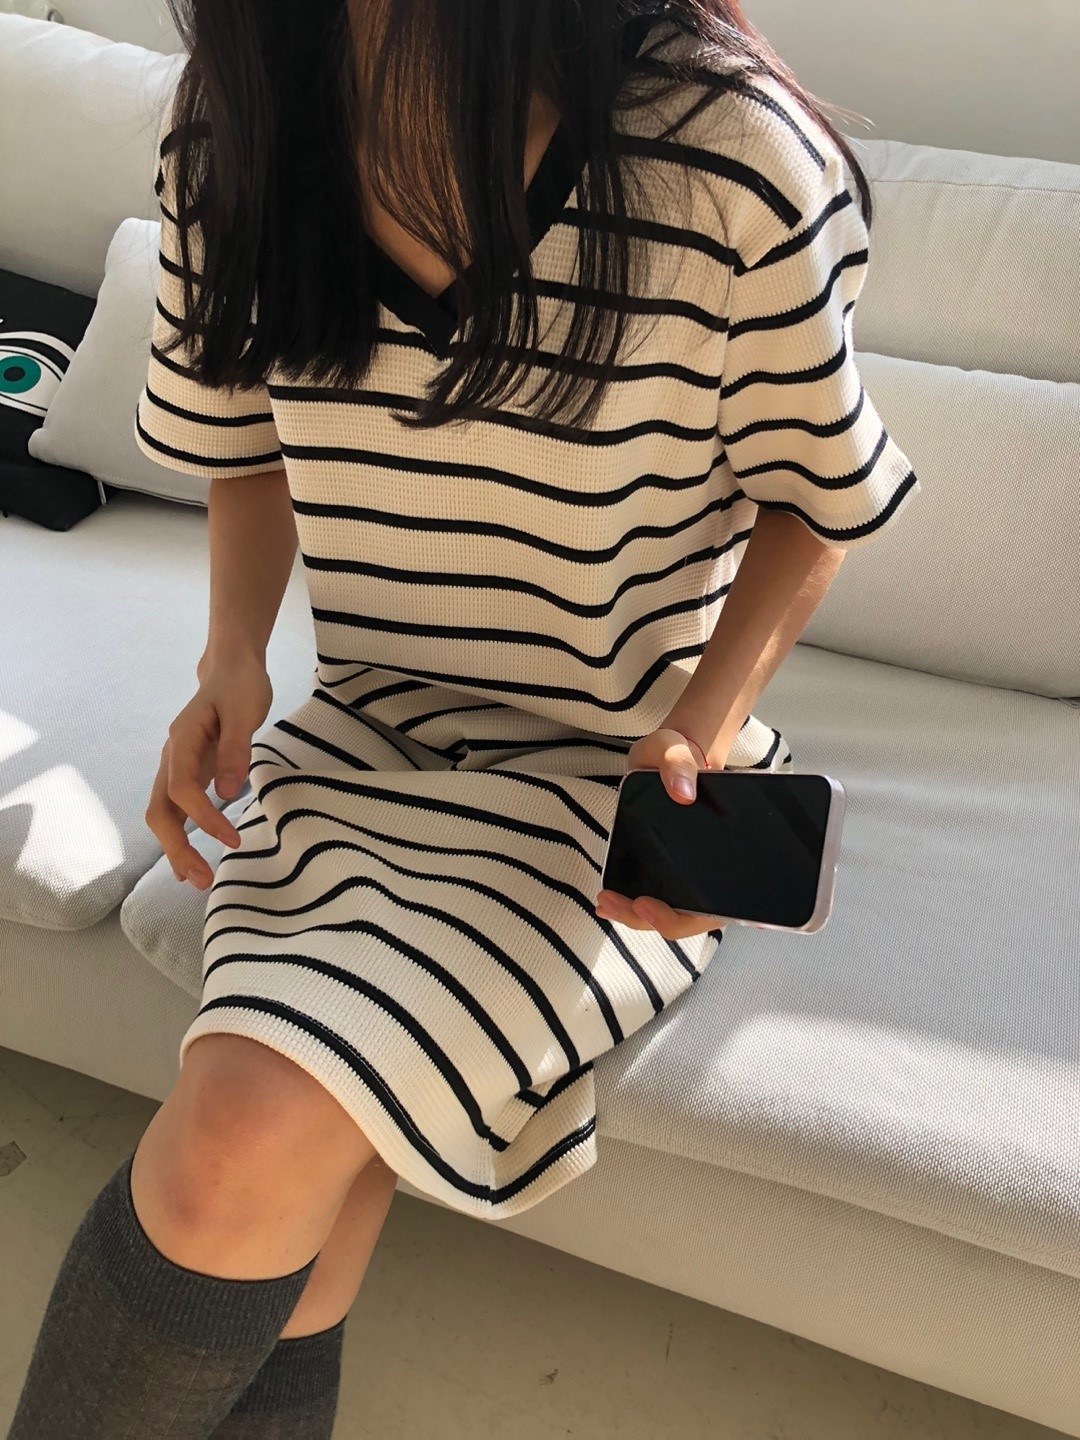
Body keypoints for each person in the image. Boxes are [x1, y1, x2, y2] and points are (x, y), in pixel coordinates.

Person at [8, 1, 920, 1435]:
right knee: (306, 1189)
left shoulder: (725, 153)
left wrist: (703, 726)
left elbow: (819, 500)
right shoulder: (237, 119)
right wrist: (231, 659)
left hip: (599, 795)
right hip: (360, 743)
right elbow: (242, 431)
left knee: (250, 1131)